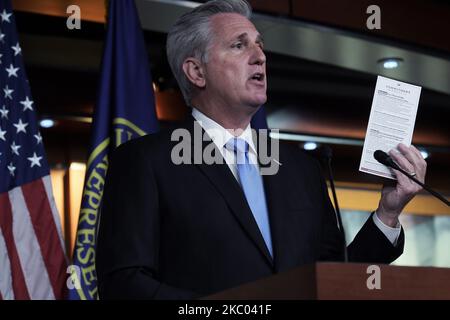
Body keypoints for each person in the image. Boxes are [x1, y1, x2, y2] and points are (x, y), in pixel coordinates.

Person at [96, 0, 427, 299]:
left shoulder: (301, 169)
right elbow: (124, 283)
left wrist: (388, 213)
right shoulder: (145, 161)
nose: (260, 56)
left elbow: (334, 278)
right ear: (196, 71)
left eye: (259, 45)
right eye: (239, 46)